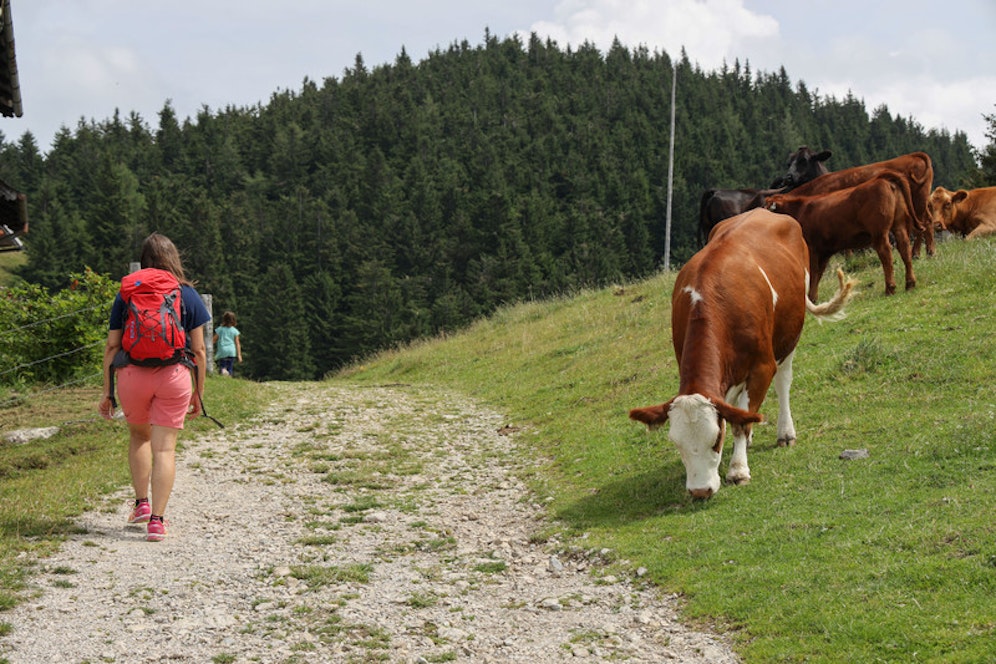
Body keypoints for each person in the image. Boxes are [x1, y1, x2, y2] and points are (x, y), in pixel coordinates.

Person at [98, 233, 211, 542]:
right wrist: (198, 393)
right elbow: (199, 351)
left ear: (144, 259)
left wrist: (107, 392)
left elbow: (111, 346)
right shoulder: (187, 294)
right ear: (174, 258)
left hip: (132, 375)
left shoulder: (127, 292)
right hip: (174, 376)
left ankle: (141, 504)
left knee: (139, 436)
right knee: (165, 447)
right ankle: (158, 522)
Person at [213, 311, 242, 377]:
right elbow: (237, 343)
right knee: (230, 367)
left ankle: (223, 371)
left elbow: (214, 340)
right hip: (231, 351)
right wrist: (239, 355)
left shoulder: (220, 329)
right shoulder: (235, 331)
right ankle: (229, 375)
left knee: (222, 365)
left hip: (223, 351)